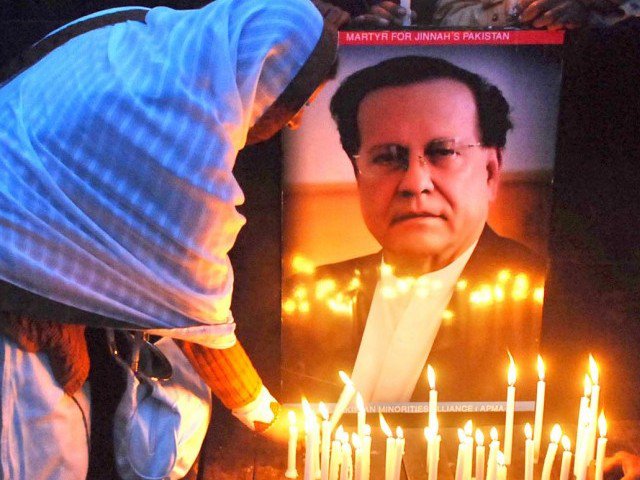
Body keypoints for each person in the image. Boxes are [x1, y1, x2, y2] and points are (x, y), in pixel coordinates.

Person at [0, 0, 337, 477]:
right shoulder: (184, 139)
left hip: (28, 251)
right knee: (39, 457)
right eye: (301, 101)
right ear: (260, 73)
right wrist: (272, 421)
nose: (299, 121)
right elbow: (202, 329)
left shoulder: (150, 46)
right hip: (12, 285)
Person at [282, 56, 546, 406]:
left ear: (491, 172)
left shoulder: (547, 297)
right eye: (388, 157)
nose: (414, 183)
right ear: (358, 174)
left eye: (443, 152)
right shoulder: (303, 300)